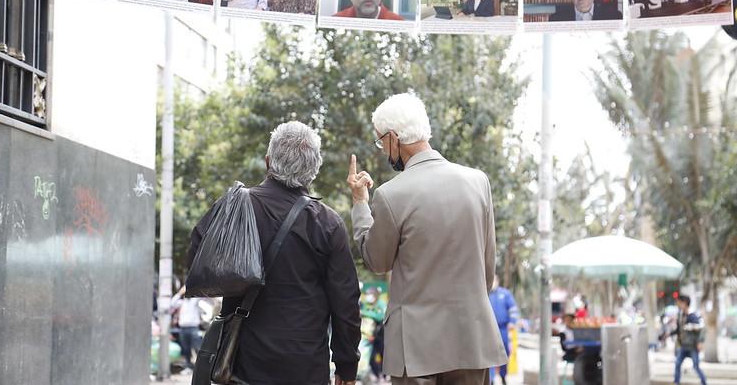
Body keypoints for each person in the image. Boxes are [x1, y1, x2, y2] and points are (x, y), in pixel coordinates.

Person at [347, 93, 507, 384]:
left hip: (417, 350)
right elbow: (486, 267)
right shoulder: (477, 181)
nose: (384, 150)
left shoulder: (391, 194)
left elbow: (377, 260)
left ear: (393, 137)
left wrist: (360, 204)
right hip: (472, 339)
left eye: (381, 141)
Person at [187, 121, 361, 385]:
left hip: (241, 363)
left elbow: (196, 264)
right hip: (305, 366)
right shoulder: (327, 223)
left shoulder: (233, 209)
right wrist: (346, 365)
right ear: (313, 171)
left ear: (268, 161)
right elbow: (345, 301)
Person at [664, 294, 707, 385]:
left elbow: (701, 329)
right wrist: (669, 334)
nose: (678, 304)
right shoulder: (681, 316)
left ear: (684, 303)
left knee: (696, 366)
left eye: (679, 302)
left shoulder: (692, 316)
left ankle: (704, 382)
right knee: (678, 363)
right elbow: (679, 330)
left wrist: (700, 342)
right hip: (683, 346)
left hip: (693, 346)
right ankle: (676, 382)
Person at [488, 278, 519, 385]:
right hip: (489, 330)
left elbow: (513, 309)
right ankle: (490, 379)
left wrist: (512, 322)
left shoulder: (505, 294)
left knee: (504, 353)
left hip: (503, 329)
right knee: (489, 354)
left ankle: (503, 376)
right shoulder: (486, 294)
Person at [169, 285, 203, 374]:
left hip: (193, 328)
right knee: (186, 349)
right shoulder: (181, 302)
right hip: (183, 329)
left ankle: (201, 367)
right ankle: (189, 367)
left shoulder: (194, 301)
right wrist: (180, 292)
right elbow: (172, 303)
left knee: (197, 348)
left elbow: (201, 295)